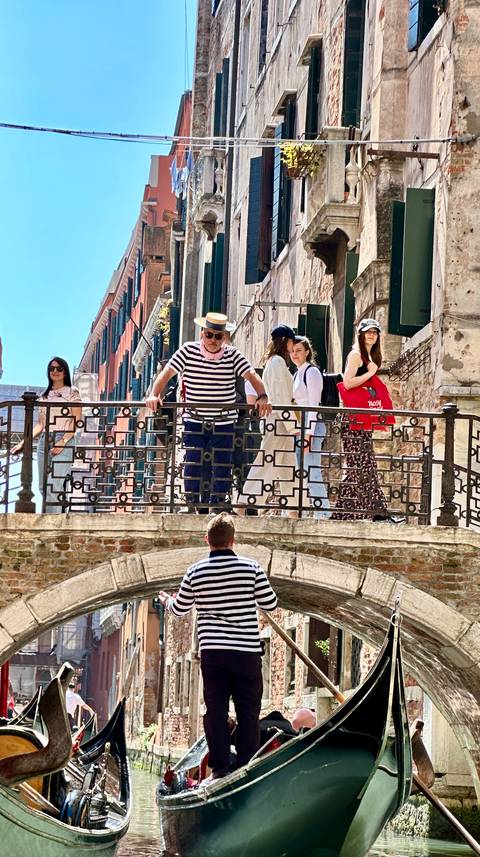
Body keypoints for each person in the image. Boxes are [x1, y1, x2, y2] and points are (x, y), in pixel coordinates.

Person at [158, 512, 278, 784]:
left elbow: (179, 610)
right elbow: (271, 604)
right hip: (247, 653)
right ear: (233, 540)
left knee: (216, 711)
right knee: (249, 712)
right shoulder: (252, 568)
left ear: (207, 540)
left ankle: (220, 767)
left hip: (214, 654)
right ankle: (247, 766)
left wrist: (167, 601)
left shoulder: (195, 571)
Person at [145, 313, 271, 513]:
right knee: (193, 462)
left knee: (222, 464)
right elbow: (166, 373)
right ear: (202, 334)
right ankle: (192, 505)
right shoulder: (187, 351)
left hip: (224, 422)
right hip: (194, 419)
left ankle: (216, 505)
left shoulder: (233, 355)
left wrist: (263, 395)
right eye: (209, 335)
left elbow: (252, 375)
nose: (213, 340)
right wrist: (154, 394)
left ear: (224, 337)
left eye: (218, 336)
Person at [332, 319, 394, 522]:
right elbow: (347, 383)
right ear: (360, 334)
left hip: (360, 419)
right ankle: (378, 513)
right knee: (363, 464)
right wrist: (370, 373)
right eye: (368, 332)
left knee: (360, 465)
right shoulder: (356, 355)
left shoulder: (367, 357)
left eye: (375, 332)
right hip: (352, 420)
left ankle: (343, 514)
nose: (372, 335)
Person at [237, 325, 298, 514]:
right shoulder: (278, 362)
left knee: (287, 464)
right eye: (291, 342)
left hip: (280, 421)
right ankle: (242, 504)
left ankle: (295, 507)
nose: (292, 346)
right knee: (267, 461)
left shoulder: (274, 362)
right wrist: (293, 425)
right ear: (285, 341)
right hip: (280, 421)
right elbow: (280, 396)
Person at [12, 357, 81, 513]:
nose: (55, 371)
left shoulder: (72, 392)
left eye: (59, 368)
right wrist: (23, 443)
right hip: (45, 440)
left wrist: (63, 441)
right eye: (52, 369)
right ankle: (54, 518)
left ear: (65, 372)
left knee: (54, 484)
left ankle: (51, 527)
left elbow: (77, 421)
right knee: (43, 486)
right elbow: (40, 425)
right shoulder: (44, 396)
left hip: (65, 439)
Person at [291, 336, 330, 519]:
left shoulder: (312, 373)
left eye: (298, 350)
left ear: (307, 352)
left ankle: (323, 512)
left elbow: (314, 405)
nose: (294, 354)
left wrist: (309, 434)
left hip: (311, 427)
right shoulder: (296, 374)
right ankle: (313, 509)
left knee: (312, 469)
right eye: (292, 351)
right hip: (301, 427)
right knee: (304, 471)